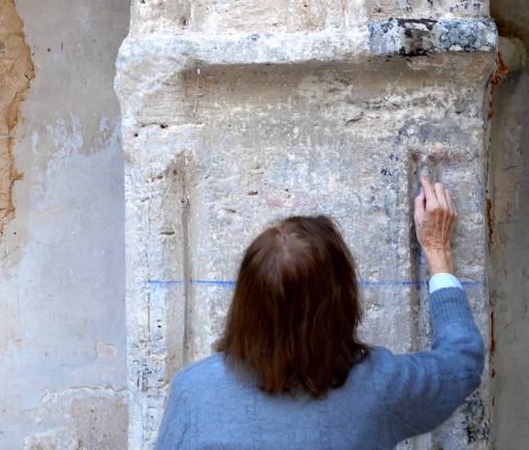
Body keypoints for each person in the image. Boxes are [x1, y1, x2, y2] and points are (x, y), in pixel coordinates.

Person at [154, 177, 484, 449]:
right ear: (341, 303)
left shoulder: (193, 393)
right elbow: (461, 363)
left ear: (245, 302)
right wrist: (438, 252)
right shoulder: (380, 388)